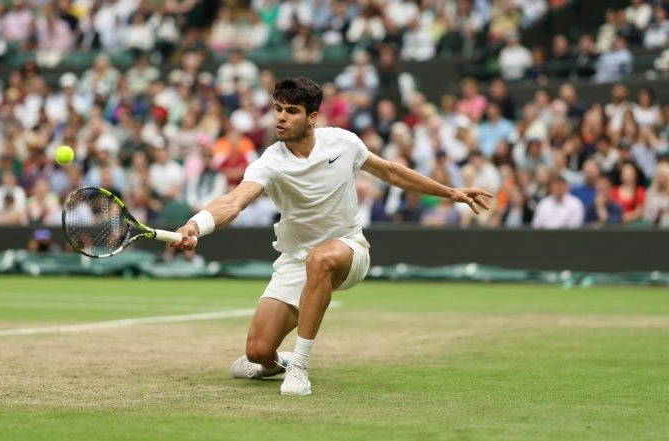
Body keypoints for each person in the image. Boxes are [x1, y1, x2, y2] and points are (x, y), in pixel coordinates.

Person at [170, 77, 493, 396]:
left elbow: (391, 172)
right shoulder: (269, 162)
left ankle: (299, 366)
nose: (281, 117)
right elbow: (233, 201)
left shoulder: (344, 143)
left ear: (312, 118)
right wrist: (196, 225)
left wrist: (451, 191)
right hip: (295, 261)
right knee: (257, 351)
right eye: (278, 109)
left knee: (320, 258)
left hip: (349, 250)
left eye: (292, 111)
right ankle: (274, 366)